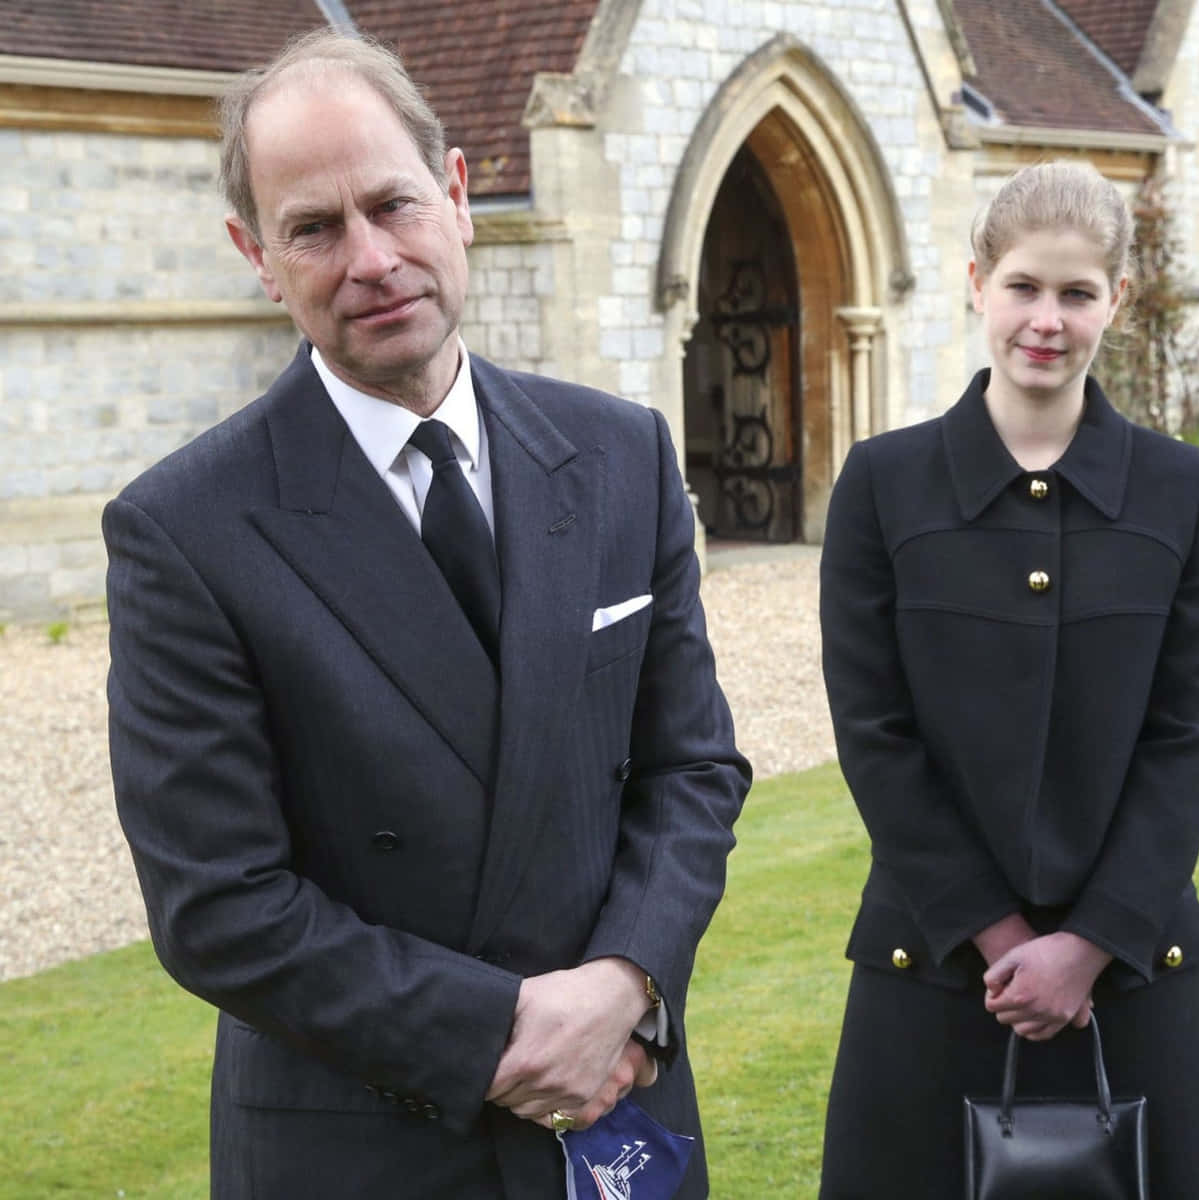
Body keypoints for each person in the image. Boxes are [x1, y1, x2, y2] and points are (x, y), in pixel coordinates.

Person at [103, 30, 749, 1199]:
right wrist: (503, 1033)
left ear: (455, 196)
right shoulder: (185, 530)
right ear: (258, 255)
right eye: (313, 228)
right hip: (363, 1139)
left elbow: (693, 767)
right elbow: (219, 906)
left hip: (617, 1108)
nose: (371, 259)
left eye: (393, 204)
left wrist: (624, 984)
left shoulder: (620, 455)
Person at [816, 161, 1199, 1199]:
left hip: (1134, 981)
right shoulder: (883, 484)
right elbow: (874, 733)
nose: (1046, 320)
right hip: (933, 974)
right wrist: (1005, 937)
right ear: (977, 282)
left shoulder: (1180, 489)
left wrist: (1091, 942)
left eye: (1076, 292)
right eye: (1023, 286)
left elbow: (1183, 733)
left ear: (1118, 299)